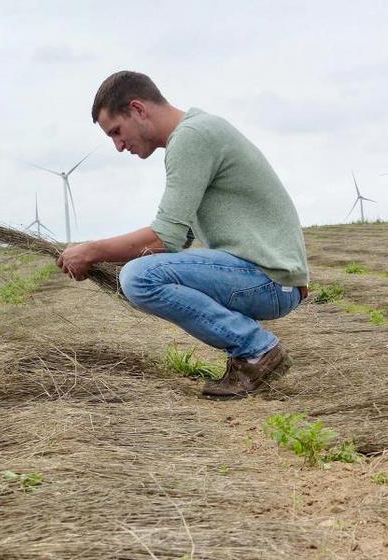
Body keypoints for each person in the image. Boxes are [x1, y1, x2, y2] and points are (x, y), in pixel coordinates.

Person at [57, 71, 309, 399]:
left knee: (138, 278)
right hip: (275, 279)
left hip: (270, 281)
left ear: (138, 109)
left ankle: (257, 350)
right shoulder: (200, 131)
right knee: (143, 270)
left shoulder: (191, 138)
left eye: (116, 132)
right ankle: (247, 355)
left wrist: (91, 251)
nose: (119, 146)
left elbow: (164, 237)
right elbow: (182, 235)